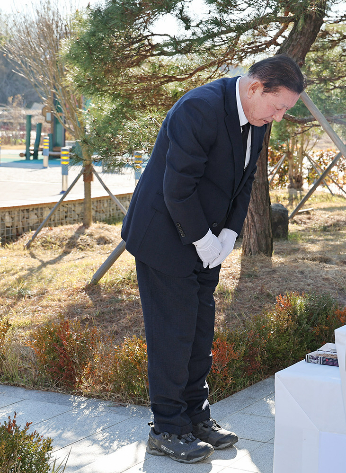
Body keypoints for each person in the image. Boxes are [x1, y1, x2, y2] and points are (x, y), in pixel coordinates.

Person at [121, 55, 304, 464]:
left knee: (200, 330)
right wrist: (202, 239)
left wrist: (229, 234)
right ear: (256, 87)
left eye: (286, 110)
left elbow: (246, 180)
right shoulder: (200, 108)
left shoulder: (258, 118)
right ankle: (167, 427)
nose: (279, 115)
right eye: (278, 106)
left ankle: (196, 417)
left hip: (207, 238)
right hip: (165, 237)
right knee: (174, 333)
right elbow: (177, 188)